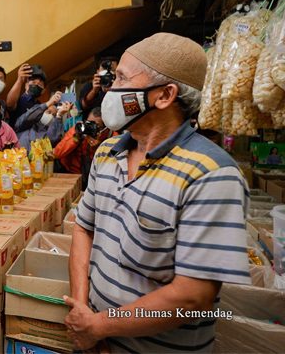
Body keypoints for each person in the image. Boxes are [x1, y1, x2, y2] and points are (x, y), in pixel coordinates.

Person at [67, 33, 251, 353]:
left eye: (122, 78)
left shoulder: (212, 174)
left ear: (164, 95)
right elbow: (85, 227)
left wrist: (100, 325)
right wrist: (84, 314)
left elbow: (192, 296)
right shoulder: (108, 151)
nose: (111, 90)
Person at [53, 107, 110, 188]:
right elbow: (57, 153)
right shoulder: (78, 130)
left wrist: (100, 147)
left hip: (97, 179)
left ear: (105, 128)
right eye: (88, 123)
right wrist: (76, 138)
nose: (89, 127)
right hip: (72, 174)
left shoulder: (111, 137)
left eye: (95, 126)